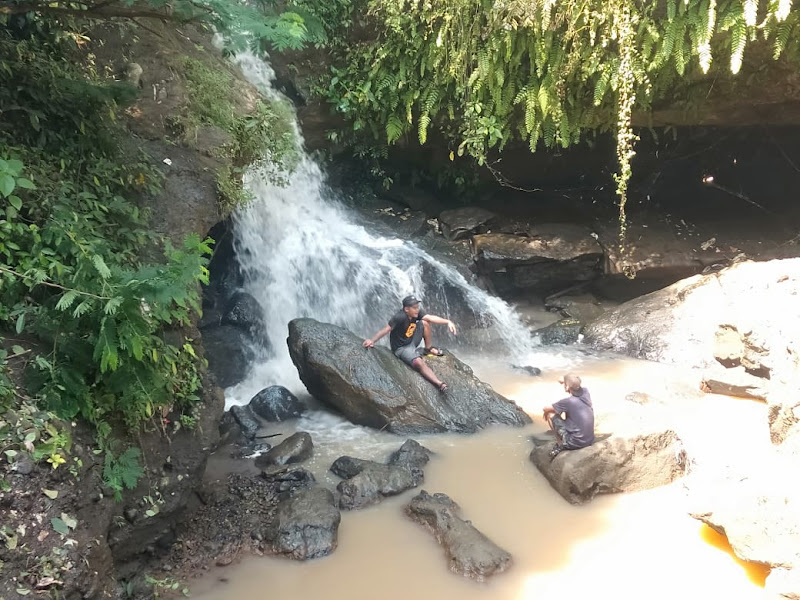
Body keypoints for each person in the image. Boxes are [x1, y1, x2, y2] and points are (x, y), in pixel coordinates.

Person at [362, 295, 457, 392]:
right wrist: (372, 340)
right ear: (406, 309)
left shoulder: (416, 313)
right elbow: (386, 329)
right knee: (418, 362)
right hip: (401, 348)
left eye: (417, 307)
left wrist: (447, 322)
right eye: (414, 308)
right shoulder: (399, 317)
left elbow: (430, 317)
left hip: (411, 340)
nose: (417, 310)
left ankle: (427, 349)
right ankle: (439, 383)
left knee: (425, 323)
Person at [542, 373, 595, 460]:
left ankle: (561, 443)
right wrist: (564, 381)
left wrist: (549, 412)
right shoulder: (585, 391)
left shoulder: (568, 402)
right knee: (560, 410)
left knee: (550, 414)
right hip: (589, 440)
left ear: (567, 387)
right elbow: (572, 381)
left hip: (575, 442)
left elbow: (545, 409)